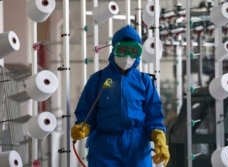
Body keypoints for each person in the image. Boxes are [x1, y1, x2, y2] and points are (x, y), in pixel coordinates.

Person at [71, 25, 170, 167]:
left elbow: (154, 117)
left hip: (137, 148)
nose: (128, 57)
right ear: (114, 49)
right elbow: (86, 112)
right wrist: (83, 126)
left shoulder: (144, 82)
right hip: (105, 148)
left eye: (133, 51)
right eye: (122, 50)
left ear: (138, 53)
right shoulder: (97, 80)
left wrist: (160, 138)